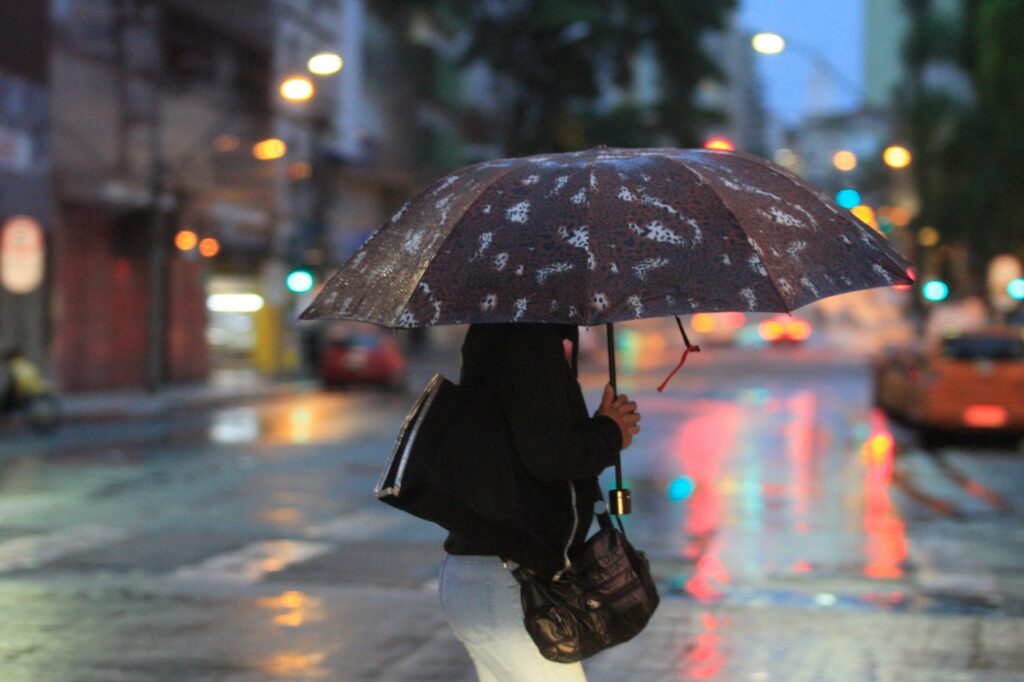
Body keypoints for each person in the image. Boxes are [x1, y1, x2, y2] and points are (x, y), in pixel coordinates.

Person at [437, 323, 641, 681]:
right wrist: (610, 433)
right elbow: (549, 456)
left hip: (492, 577)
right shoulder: (526, 339)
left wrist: (600, 429)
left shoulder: (504, 334)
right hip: (511, 585)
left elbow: (528, 442)